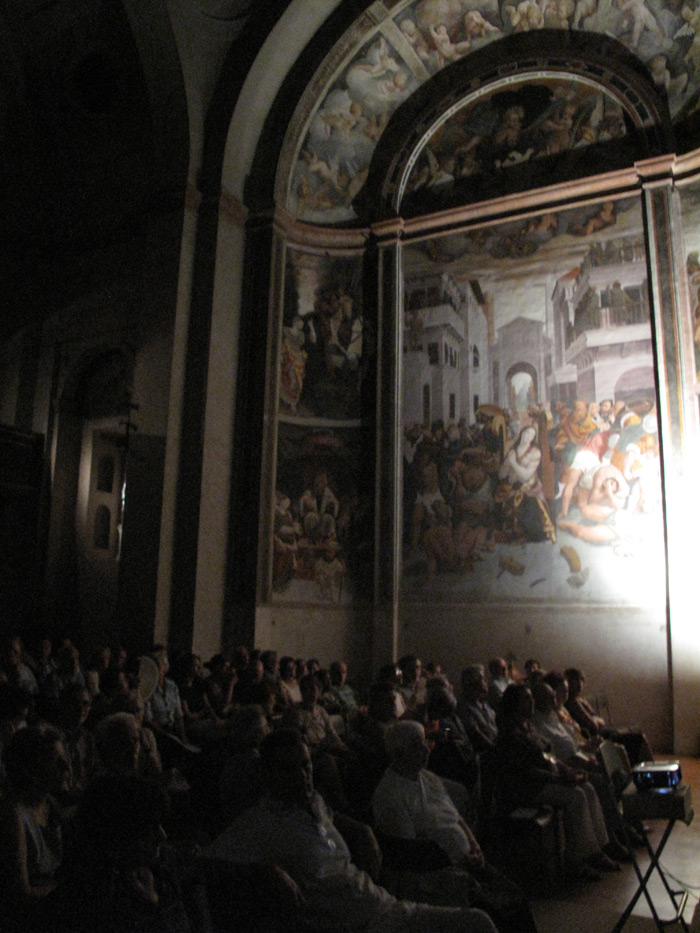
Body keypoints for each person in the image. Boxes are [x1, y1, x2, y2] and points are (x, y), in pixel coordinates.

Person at [203, 729, 498, 933]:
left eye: (306, 765)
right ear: (267, 775)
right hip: (352, 925)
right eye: (288, 769)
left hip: (382, 906)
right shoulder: (259, 824)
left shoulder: (315, 802)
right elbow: (202, 863)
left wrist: (358, 828)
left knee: (479, 922)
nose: (303, 776)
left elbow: (329, 819)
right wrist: (262, 870)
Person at [372, 722, 537, 933]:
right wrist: (458, 864)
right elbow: (411, 854)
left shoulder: (428, 778)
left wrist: (475, 847)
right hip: (435, 876)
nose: (425, 749)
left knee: (516, 899)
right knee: (494, 913)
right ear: (398, 753)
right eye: (416, 745)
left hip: (466, 861)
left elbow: (455, 818)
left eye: (424, 742)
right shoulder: (391, 796)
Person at [495, 684, 618, 881]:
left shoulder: (528, 727)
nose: (532, 702)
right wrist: (560, 778)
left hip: (546, 779)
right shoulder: (510, 733)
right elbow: (526, 771)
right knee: (576, 796)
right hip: (528, 787)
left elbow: (547, 756)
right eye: (527, 699)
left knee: (587, 788)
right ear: (516, 704)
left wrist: (565, 769)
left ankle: (598, 849)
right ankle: (577, 860)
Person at [0, 724, 69, 926]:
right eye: (56, 760)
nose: (66, 766)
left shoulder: (50, 805)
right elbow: (21, 895)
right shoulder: (13, 815)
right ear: (32, 768)